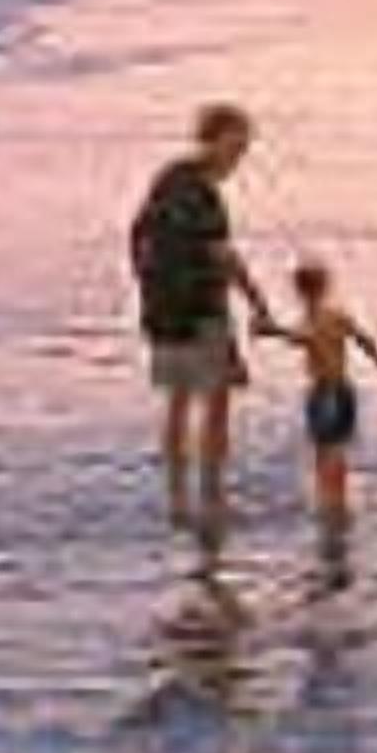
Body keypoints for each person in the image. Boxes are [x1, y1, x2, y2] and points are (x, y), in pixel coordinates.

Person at [130, 103, 280, 528]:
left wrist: (150, 293)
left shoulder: (169, 177)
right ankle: (213, 499)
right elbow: (224, 257)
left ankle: (178, 501)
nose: (239, 155)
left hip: (162, 310)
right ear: (211, 139)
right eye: (235, 144)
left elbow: (140, 238)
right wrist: (260, 306)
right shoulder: (202, 193)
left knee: (178, 403)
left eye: (244, 147)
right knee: (216, 406)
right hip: (199, 311)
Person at [284, 257, 377, 521]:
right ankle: (338, 501)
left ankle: (329, 503)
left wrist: (272, 330)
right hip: (344, 388)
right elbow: (364, 340)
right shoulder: (338, 316)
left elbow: (303, 338)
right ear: (326, 286)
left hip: (325, 390)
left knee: (325, 449)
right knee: (336, 448)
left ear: (299, 292)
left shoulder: (312, 320)